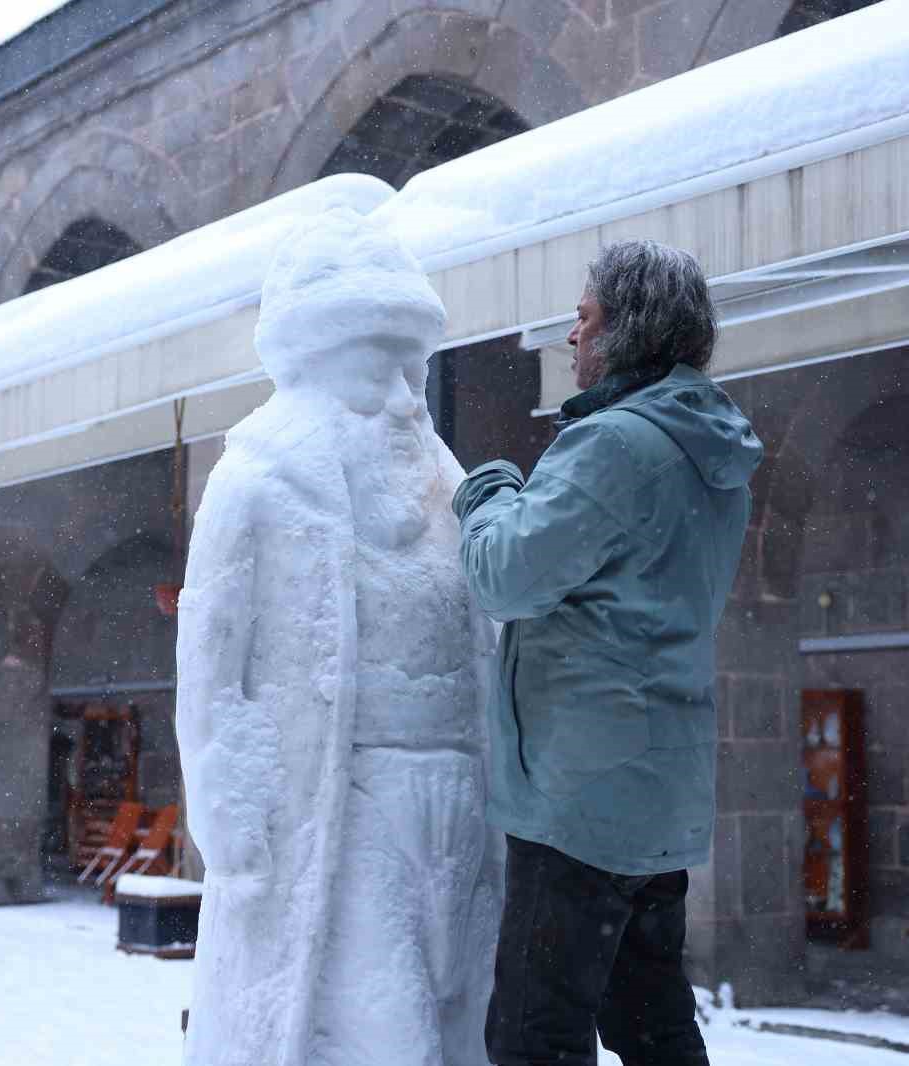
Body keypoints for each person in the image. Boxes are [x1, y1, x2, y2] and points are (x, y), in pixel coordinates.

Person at [176, 208, 501, 1066]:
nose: (401, 403)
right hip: (339, 801)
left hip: (457, 797)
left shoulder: (452, 485)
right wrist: (228, 804)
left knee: (457, 1004)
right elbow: (208, 665)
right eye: (373, 377)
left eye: (414, 374)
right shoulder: (255, 482)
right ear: (315, 372)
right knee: (389, 1031)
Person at [452, 239, 764, 1066]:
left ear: (627, 330)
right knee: (651, 1023)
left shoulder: (618, 444)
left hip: (579, 799)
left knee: (532, 1035)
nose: (570, 336)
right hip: (655, 793)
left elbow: (505, 577)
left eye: (584, 317)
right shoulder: (708, 453)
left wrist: (488, 491)